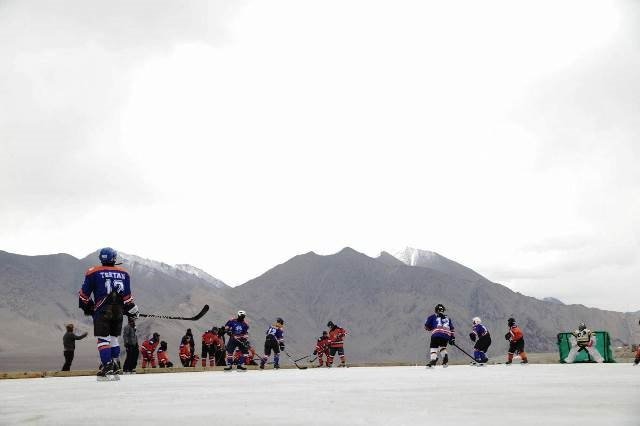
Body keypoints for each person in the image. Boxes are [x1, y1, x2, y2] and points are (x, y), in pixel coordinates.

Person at [78, 247, 139, 377]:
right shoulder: (124, 273)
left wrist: (88, 307)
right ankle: (115, 365)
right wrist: (133, 310)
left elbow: (84, 295)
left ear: (101, 258)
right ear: (114, 258)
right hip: (118, 311)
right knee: (113, 339)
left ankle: (107, 366)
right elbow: (128, 297)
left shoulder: (93, 272)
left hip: (102, 310)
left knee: (103, 339)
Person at [424, 304, 455, 368]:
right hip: (446, 335)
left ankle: (433, 360)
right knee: (442, 347)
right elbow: (452, 329)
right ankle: (445, 357)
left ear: (436, 310)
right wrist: (452, 338)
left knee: (433, 347)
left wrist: (429, 328)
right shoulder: (448, 318)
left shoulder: (432, 317)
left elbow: (426, 326)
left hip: (436, 334)